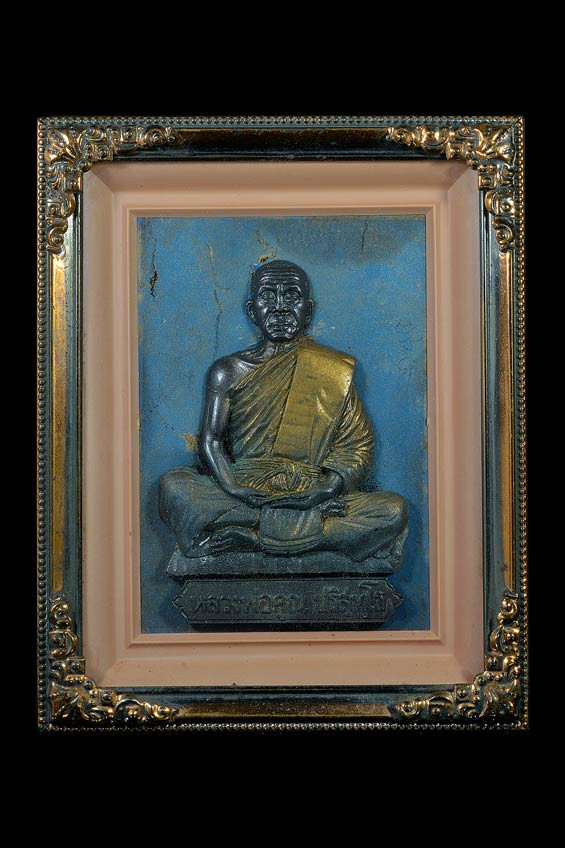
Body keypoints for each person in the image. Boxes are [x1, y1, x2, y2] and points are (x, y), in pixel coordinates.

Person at [159, 260, 407, 562]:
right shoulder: (227, 371)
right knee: (174, 489)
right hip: (246, 492)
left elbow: (357, 446)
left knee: (393, 510)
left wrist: (326, 490)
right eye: (268, 296)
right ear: (252, 311)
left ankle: (254, 536)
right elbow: (211, 441)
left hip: (310, 491)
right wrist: (235, 488)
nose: (279, 308)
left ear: (308, 311)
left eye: (291, 296)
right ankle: (309, 529)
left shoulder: (331, 371)